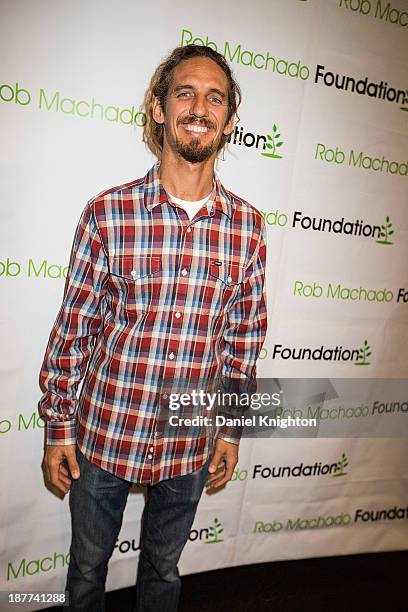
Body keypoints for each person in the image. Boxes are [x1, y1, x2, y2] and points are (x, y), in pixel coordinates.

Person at [38, 44, 267, 611]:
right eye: (185, 92)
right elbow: (74, 328)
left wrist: (231, 431)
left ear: (228, 121)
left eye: (215, 98)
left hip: (189, 441)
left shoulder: (248, 229)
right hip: (106, 433)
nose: (200, 107)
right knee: (86, 573)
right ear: (160, 109)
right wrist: (59, 429)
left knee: (163, 573)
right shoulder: (107, 213)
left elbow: (243, 343)